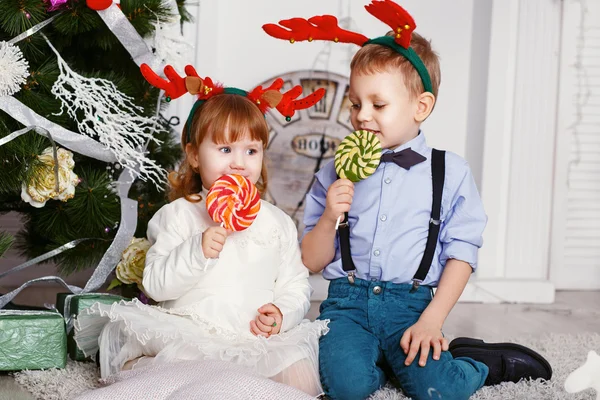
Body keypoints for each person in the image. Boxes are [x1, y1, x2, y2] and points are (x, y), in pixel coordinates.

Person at [264, 2, 552, 399]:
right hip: (347, 305)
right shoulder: (334, 170)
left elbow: (462, 254)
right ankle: (381, 360)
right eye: (355, 103)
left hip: (412, 307)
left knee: (440, 390)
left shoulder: (449, 172)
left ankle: (480, 362)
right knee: (345, 388)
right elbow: (310, 261)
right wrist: (331, 215)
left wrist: (432, 320)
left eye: (378, 105)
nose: (362, 115)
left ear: (422, 106)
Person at [74, 74, 329, 396]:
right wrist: (197, 250)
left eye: (251, 150)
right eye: (224, 148)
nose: (239, 163)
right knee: (178, 374)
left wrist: (281, 314)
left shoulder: (276, 222)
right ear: (194, 156)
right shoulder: (178, 214)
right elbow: (156, 284)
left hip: (255, 341)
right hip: (190, 332)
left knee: (294, 370)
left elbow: (295, 284)